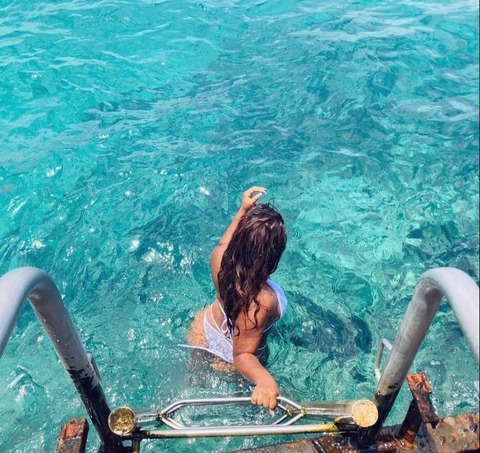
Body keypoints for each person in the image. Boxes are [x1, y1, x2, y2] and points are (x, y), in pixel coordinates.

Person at [186, 186, 288, 412]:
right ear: (273, 257)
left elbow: (224, 244)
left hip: (202, 331)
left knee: (192, 388)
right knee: (241, 406)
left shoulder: (219, 259)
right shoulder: (261, 301)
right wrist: (264, 380)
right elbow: (242, 354)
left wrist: (242, 211)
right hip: (231, 358)